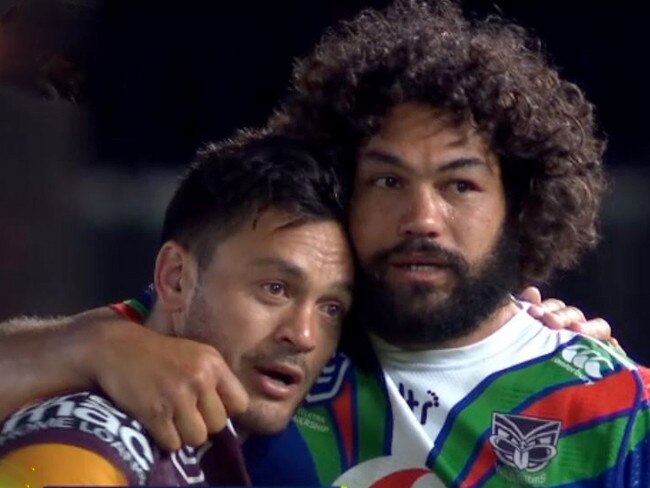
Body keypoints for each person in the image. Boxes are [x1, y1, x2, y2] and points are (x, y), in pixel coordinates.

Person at [0, 0, 641, 486]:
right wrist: (94, 343)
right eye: (388, 180)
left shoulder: (617, 408)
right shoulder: (275, 337)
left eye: (460, 185)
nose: (422, 217)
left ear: (521, 204)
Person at [0, 135, 355, 485]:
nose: (304, 335)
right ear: (176, 279)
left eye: (331, 308)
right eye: (275, 289)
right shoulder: (87, 441)